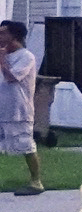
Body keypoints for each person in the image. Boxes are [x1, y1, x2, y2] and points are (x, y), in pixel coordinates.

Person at [0, 22, 40, 196]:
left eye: (3, 33)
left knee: (26, 146)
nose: (0, 36)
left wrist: (2, 60)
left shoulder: (26, 57)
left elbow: (11, 78)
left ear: (14, 36)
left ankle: (36, 181)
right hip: (2, 109)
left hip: (18, 111)